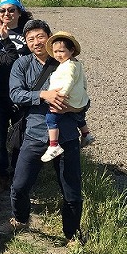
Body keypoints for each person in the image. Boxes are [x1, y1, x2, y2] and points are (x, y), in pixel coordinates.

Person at [0, 20, 87, 246]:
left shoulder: (67, 63)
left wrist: (73, 108)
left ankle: (72, 233)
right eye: (31, 39)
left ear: (50, 37)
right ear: (26, 42)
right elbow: (15, 94)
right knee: (19, 186)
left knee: (71, 190)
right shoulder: (22, 65)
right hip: (35, 132)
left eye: (40, 37)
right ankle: (20, 218)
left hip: (65, 135)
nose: (36, 42)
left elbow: (85, 100)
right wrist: (42, 95)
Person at [0, 0, 32, 193]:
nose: (6, 14)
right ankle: (0, 177)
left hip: (22, 94)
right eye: (2, 11)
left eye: (11, 10)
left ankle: (18, 176)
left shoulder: (28, 36)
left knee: (19, 138)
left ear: (19, 13)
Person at [41, 31, 95, 162]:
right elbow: (83, 81)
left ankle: (54, 145)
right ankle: (86, 134)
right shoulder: (76, 64)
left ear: (71, 50)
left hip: (64, 98)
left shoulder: (68, 67)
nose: (58, 54)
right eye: (55, 52)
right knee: (77, 116)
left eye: (61, 51)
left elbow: (68, 81)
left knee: (51, 118)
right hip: (78, 99)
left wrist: (59, 96)